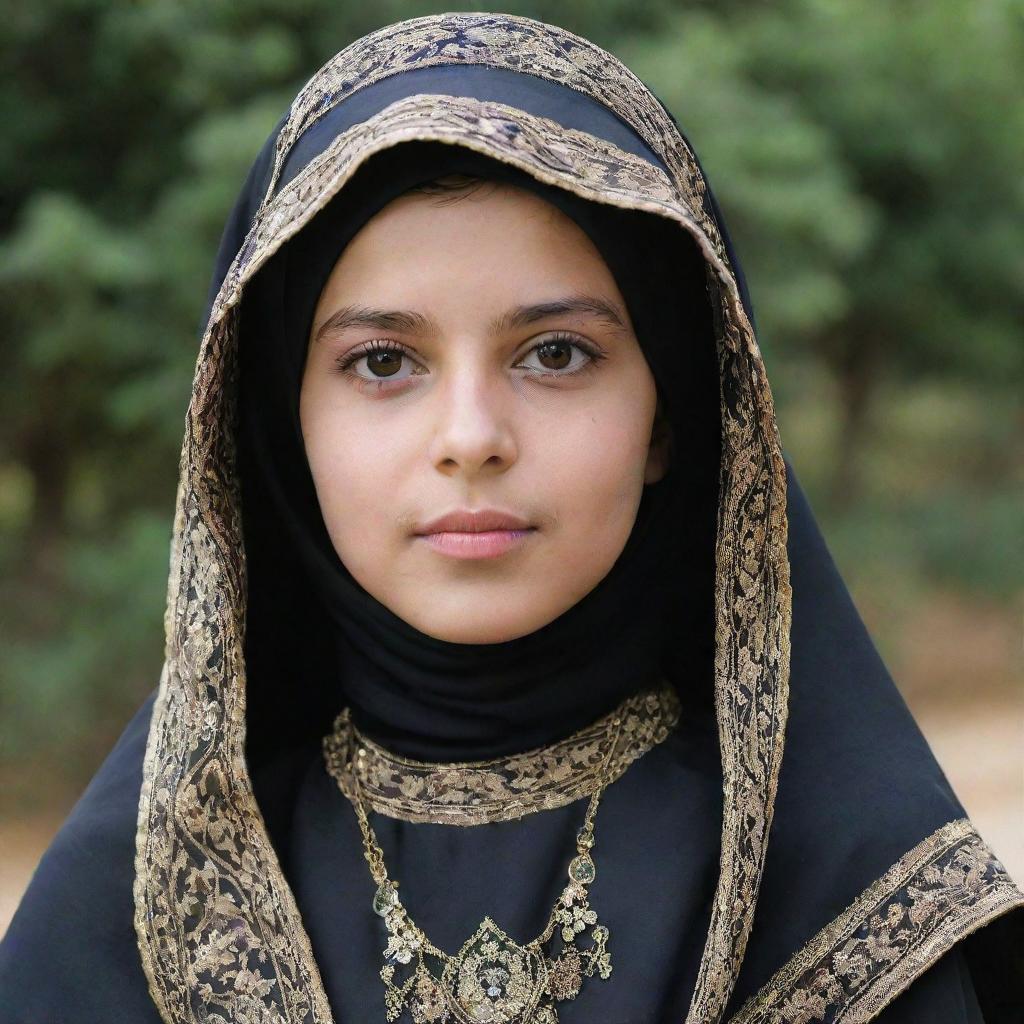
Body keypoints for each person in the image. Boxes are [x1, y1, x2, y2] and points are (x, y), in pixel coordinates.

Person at [0, 11, 1020, 1024]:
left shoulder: (847, 899)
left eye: (556, 354)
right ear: (281, 430)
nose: (472, 436)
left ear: (668, 413)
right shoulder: (120, 929)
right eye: (383, 363)